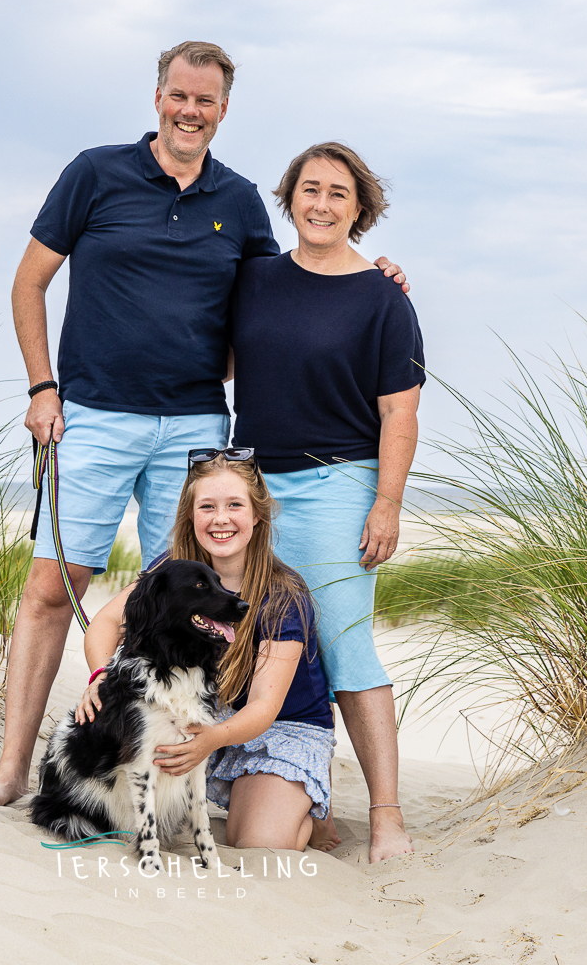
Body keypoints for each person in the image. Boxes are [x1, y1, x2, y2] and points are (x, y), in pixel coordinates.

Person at [0, 43, 407, 808]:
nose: (189, 111)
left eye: (205, 101)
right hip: (94, 416)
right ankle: (10, 769)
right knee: (50, 587)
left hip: (199, 424)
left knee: (195, 599)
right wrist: (42, 387)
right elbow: (30, 280)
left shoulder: (236, 202)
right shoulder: (93, 173)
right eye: (178, 96)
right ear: (158, 96)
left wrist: (375, 275)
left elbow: (286, 292)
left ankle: (185, 776)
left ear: (223, 111)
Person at [229, 142, 425, 863]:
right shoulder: (254, 280)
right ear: (290, 198)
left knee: (342, 643)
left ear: (360, 209)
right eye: (310, 189)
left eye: (338, 193)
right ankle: (312, 798)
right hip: (252, 484)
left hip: (339, 480)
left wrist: (387, 505)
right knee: (263, 640)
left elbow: (399, 415)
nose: (321, 203)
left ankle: (387, 817)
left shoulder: (382, 297)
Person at [75, 450, 334, 851]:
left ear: (257, 515)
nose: (220, 518)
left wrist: (211, 739)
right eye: (207, 506)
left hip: (278, 728)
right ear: (190, 515)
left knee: (259, 843)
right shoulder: (174, 571)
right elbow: (105, 623)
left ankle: (310, 803)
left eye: (235, 505)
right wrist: (101, 674)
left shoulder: (284, 595)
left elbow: (265, 706)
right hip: (204, 715)